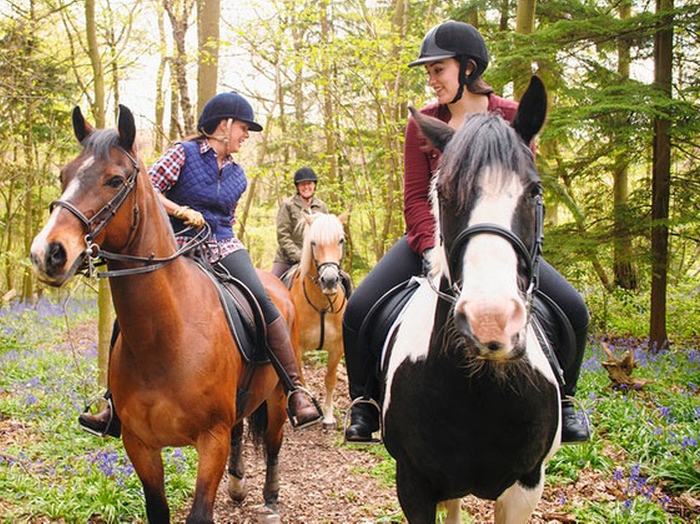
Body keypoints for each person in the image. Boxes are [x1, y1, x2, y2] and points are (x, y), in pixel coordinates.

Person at [341, 20, 591, 444]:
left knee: (575, 310)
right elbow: (416, 198)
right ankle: (364, 402)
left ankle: (564, 401)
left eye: (438, 70)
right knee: (359, 308)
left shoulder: (512, 118)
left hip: (499, 243)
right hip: (436, 243)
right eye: (429, 73)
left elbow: (521, 192)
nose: (432, 80)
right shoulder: (423, 123)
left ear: (468, 69)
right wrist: (433, 251)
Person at [79, 92, 323, 436]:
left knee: (264, 302)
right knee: (132, 311)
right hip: (175, 245)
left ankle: (296, 389)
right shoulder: (183, 153)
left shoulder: (239, 175)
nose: (246, 135)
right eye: (243, 127)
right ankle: (113, 404)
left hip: (223, 244)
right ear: (223, 125)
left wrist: (225, 237)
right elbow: (146, 190)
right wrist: (181, 212)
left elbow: (229, 218)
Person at [270, 167, 329, 278]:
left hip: (317, 259)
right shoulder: (288, 205)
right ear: (297, 187)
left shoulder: (322, 206)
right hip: (287, 260)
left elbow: (326, 236)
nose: (306, 187)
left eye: (309, 184)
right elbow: (283, 236)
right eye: (302, 184)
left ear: (314, 185)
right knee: (268, 288)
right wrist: (301, 256)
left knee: (343, 279)